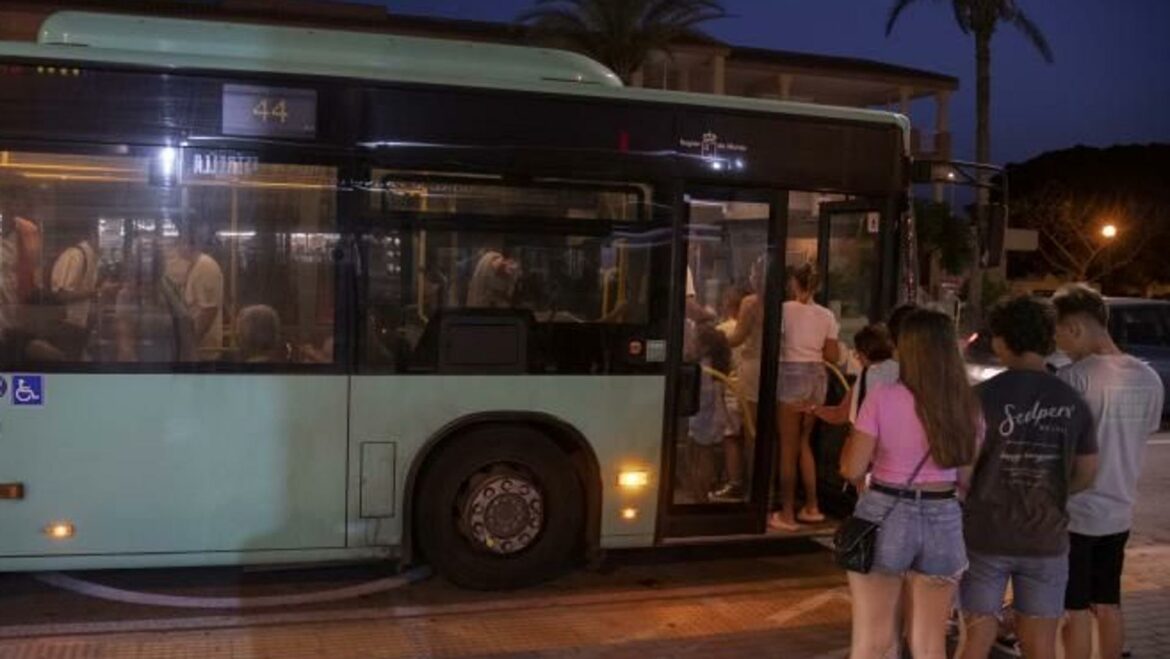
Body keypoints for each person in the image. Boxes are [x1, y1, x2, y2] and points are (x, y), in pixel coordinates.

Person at [958, 295, 1098, 659]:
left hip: (986, 535)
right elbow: (1087, 473)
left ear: (1002, 340)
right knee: (1041, 647)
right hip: (1046, 537)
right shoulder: (1073, 400)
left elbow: (963, 470)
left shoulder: (979, 397)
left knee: (974, 641)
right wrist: (1054, 491)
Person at [841, 308, 981, 659]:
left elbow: (851, 468)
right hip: (944, 516)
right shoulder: (966, 404)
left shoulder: (883, 397)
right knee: (930, 643)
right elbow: (966, 479)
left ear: (907, 348)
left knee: (873, 641)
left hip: (885, 512)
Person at [1052, 284, 1164, 659]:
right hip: (1119, 513)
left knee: (1075, 608)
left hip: (1076, 513)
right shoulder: (1149, 379)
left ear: (1076, 328)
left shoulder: (1073, 379)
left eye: (1059, 332)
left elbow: (1059, 451)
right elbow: (1140, 434)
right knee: (1108, 602)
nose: (1059, 343)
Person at [770, 263, 840, 531]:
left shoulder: (784, 310)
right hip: (817, 378)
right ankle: (812, 506)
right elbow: (832, 356)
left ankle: (786, 514)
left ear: (792, 284)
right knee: (804, 443)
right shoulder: (827, 315)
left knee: (787, 447)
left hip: (791, 374)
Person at [808, 323, 896, 427]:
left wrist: (811, 408)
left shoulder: (867, 376)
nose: (857, 357)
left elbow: (840, 415)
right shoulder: (904, 371)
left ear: (863, 354)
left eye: (857, 353)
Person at [709, 283, 751, 501]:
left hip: (731, 389)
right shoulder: (754, 330)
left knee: (731, 438)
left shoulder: (723, 331)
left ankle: (735, 483)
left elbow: (716, 365)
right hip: (751, 389)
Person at [684, 322, 734, 502]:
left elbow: (705, 397)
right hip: (709, 417)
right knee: (699, 455)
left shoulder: (704, 368)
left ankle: (701, 495)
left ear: (704, 346)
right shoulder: (717, 365)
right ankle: (700, 492)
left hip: (705, 417)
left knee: (702, 456)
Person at [165, 216, 223, 361]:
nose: (176, 249)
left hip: (203, 353)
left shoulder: (205, 267)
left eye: (178, 243)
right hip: (194, 350)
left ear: (187, 244)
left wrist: (189, 345)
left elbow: (208, 312)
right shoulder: (193, 266)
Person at [47, 224, 100, 359]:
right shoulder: (80, 255)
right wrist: (96, 292)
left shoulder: (82, 256)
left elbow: (64, 295)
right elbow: (62, 295)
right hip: (73, 324)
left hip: (74, 325)